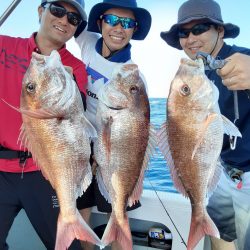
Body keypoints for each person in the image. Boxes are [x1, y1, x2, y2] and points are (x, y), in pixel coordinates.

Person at [160, 0, 250, 250]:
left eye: (199, 29)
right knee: (221, 241)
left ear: (220, 30)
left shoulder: (245, 57)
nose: (190, 38)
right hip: (216, 173)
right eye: (183, 32)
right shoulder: (198, 73)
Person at [0, 0, 88, 249]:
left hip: (46, 172)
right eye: (58, 10)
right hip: (1, 169)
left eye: (73, 18)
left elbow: (75, 116)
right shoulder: (3, 45)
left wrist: (67, 87)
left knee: (68, 246)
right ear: (41, 11)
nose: (64, 20)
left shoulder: (76, 68)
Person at [74, 0, 152, 249]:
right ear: (99, 22)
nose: (119, 27)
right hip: (79, 144)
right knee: (80, 209)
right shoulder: (87, 42)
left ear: (134, 30)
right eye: (111, 20)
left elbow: (139, 131)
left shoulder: (135, 78)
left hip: (114, 148)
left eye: (127, 23)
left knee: (117, 213)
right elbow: (69, 13)